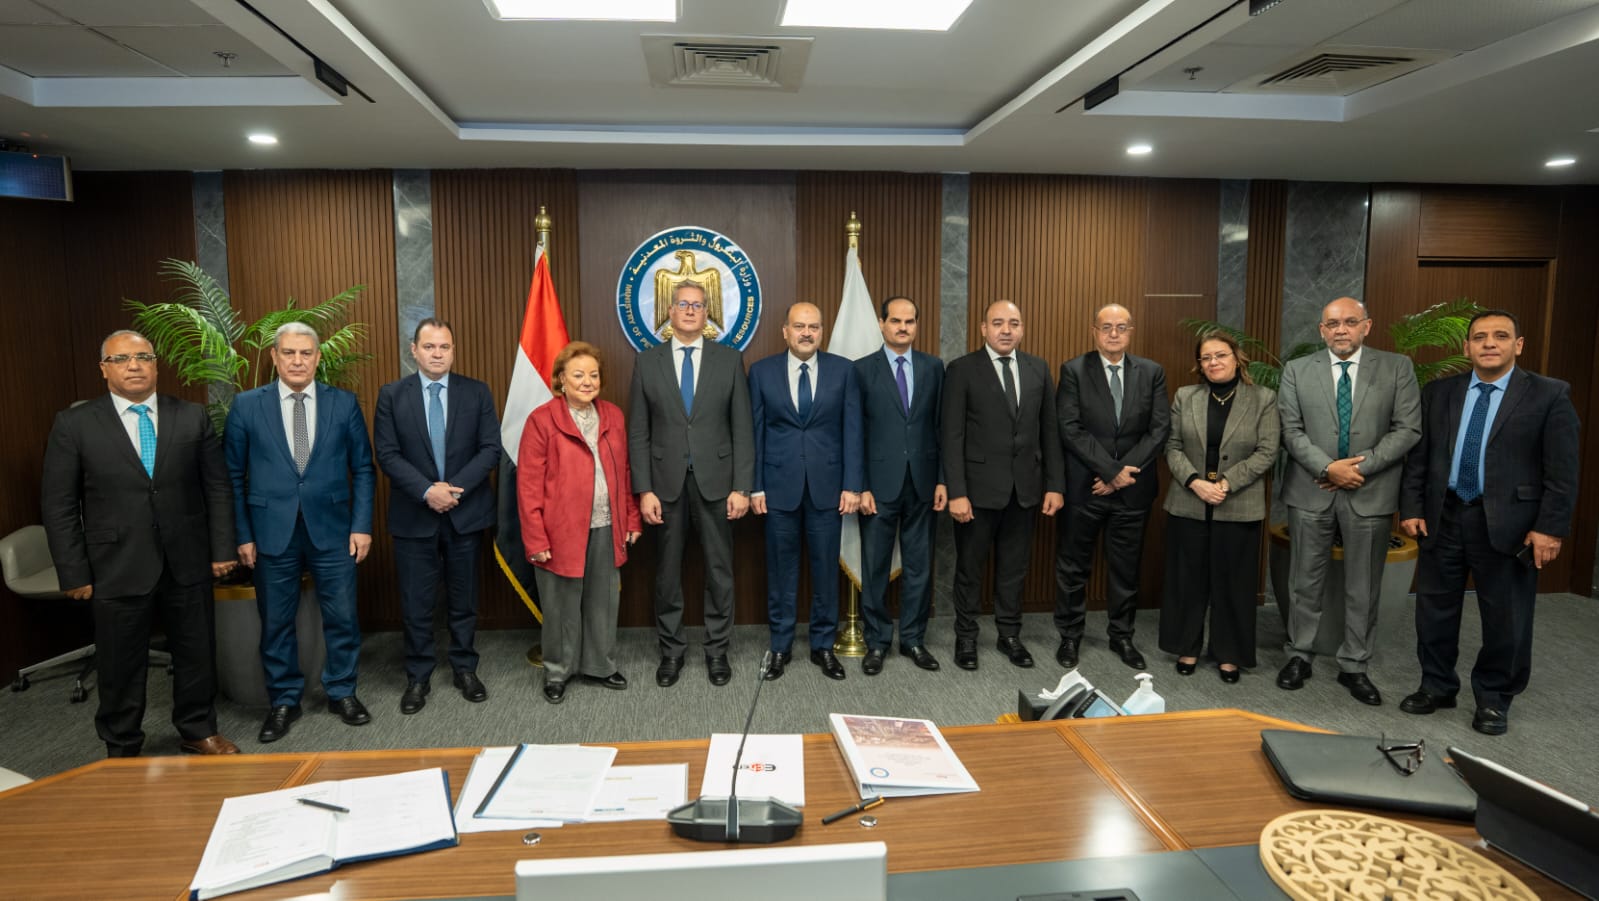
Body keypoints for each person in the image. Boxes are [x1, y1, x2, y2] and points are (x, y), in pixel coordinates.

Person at [40, 330, 239, 758]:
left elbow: (218, 488)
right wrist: (73, 571)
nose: (134, 365)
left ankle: (198, 728)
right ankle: (122, 742)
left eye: (143, 357)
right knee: (120, 662)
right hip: (115, 563)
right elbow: (58, 504)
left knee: (196, 651)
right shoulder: (74, 424)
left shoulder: (192, 416)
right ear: (104, 369)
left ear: (155, 365)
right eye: (121, 359)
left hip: (187, 558)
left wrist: (222, 549)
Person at [1398, 310, 1579, 736]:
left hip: (1511, 524)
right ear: (1467, 347)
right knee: (1434, 610)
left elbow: (1562, 471)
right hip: (1443, 516)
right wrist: (1411, 507)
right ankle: (1437, 686)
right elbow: (1420, 458)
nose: (1489, 343)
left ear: (1518, 345)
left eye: (1500, 336)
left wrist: (1550, 528)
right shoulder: (1439, 392)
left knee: (1506, 617)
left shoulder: (1549, 395)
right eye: (1479, 337)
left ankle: (1494, 698)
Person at [225, 322, 376, 742]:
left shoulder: (343, 403)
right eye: (289, 353)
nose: (297, 360)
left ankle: (342, 692)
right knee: (276, 622)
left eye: (305, 353)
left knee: (342, 617)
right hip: (271, 532)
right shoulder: (246, 406)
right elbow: (232, 476)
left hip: (333, 530)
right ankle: (284, 700)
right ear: (274, 357)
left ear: (317, 357)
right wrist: (243, 534)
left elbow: (364, 469)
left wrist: (361, 526)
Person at [1276, 297, 1420, 705]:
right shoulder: (1297, 370)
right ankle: (1299, 655)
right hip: (1311, 489)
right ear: (1321, 330)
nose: (1341, 330)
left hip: (1369, 490)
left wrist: (1360, 468)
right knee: (1304, 581)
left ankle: (1355, 665)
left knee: (1363, 586)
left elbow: (1407, 429)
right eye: (1333, 323)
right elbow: (1290, 430)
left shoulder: (1397, 368)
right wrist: (1328, 468)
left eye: (1350, 322)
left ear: (1366, 326)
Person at [627, 280, 754, 688]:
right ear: (670, 311)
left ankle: (717, 651)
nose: (689, 310)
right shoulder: (646, 362)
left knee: (719, 571)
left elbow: (743, 429)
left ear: (706, 313)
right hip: (664, 485)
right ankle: (672, 652)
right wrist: (644, 489)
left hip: (719, 483)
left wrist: (742, 487)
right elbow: (638, 432)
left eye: (697, 305)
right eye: (683, 304)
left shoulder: (729, 359)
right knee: (667, 573)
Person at [373, 318, 500, 715]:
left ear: (453, 350)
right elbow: (387, 454)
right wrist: (428, 491)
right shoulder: (392, 395)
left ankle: (465, 668)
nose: (437, 354)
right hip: (414, 515)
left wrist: (452, 490)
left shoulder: (476, 392)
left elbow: (490, 449)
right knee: (416, 602)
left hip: (465, 513)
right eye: (429, 347)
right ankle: (418, 675)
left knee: (464, 599)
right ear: (414, 350)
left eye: (444, 347)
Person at [941, 300, 1065, 671]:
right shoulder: (962, 369)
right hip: (976, 492)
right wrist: (957, 492)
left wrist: (1055, 485)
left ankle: (1010, 634)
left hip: (1024, 490)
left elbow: (1050, 432)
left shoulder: (1038, 368)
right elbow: (951, 435)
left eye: (1013, 323)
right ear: (984, 328)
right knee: (970, 569)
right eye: (998, 323)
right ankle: (966, 637)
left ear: (1022, 329)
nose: (1006, 330)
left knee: (1014, 568)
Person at [519, 342, 643, 704]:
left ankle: (600, 666)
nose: (588, 382)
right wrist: (535, 538)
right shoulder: (542, 420)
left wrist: (631, 516)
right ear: (561, 379)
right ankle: (558, 671)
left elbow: (624, 472)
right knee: (561, 606)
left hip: (606, 523)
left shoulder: (613, 416)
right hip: (559, 531)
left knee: (603, 601)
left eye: (593, 375)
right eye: (578, 375)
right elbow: (528, 485)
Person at [749, 302, 863, 681]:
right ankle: (780, 646)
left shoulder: (843, 371)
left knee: (825, 572)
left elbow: (853, 430)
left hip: (828, 489)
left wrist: (852, 484)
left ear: (822, 331)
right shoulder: (761, 372)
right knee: (781, 572)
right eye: (799, 326)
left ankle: (823, 646)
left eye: (813, 327)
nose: (806, 333)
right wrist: (755, 486)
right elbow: (756, 433)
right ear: (785, 331)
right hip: (777, 488)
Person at [1054, 304, 1170, 671]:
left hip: (1132, 490)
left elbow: (1159, 429)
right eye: (1106, 327)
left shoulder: (1151, 372)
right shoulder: (1073, 370)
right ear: (1094, 331)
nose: (1114, 334)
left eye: (1121, 327)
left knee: (1125, 569)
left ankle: (1122, 636)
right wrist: (1109, 471)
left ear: (1131, 331)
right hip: (1085, 487)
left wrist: (1121, 474)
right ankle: (1070, 635)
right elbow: (1070, 428)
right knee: (1073, 566)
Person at [1158, 333, 1278, 683]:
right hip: (1188, 500)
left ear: (1237, 358)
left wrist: (1225, 483)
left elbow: (1267, 451)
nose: (1214, 362)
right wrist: (1194, 481)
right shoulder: (1186, 396)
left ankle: (1230, 654)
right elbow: (1172, 445)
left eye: (1220, 355)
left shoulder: (1263, 398)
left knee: (1234, 583)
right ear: (1199, 364)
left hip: (1238, 502)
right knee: (1187, 580)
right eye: (1206, 357)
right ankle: (1187, 647)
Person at [855, 296, 947, 675]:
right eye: (896, 320)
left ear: (916, 325)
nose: (903, 327)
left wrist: (942, 480)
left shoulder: (933, 367)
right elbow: (855, 432)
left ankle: (912, 639)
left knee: (919, 567)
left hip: (923, 483)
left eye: (910, 321)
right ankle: (877, 642)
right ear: (882, 323)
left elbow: (942, 426)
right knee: (875, 567)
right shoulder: (861, 370)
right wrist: (860, 485)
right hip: (877, 487)